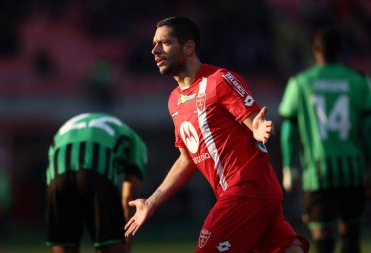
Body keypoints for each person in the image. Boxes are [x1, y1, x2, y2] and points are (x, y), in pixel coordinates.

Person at [124, 16, 309, 253]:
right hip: (257, 195)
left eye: (164, 43)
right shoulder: (174, 100)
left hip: (246, 190)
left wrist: (260, 129)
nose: (154, 50)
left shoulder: (219, 81)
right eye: (154, 44)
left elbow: (254, 123)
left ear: (188, 48)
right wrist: (151, 202)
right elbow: (186, 159)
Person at [279, 26, 371, 253]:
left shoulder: (300, 82)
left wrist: (289, 168)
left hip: (317, 174)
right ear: (341, 51)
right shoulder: (359, 80)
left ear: (316, 50)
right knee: (351, 235)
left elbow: (288, 128)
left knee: (323, 239)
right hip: (353, 171)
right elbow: (368, 127)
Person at [45, 112, 147, 253]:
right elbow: (128, 197)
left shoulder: (67, 126)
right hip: (97, 167)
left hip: (57, 171)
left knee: (65, 242)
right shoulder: (136, 141)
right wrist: (125, 243)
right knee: (109, 242)